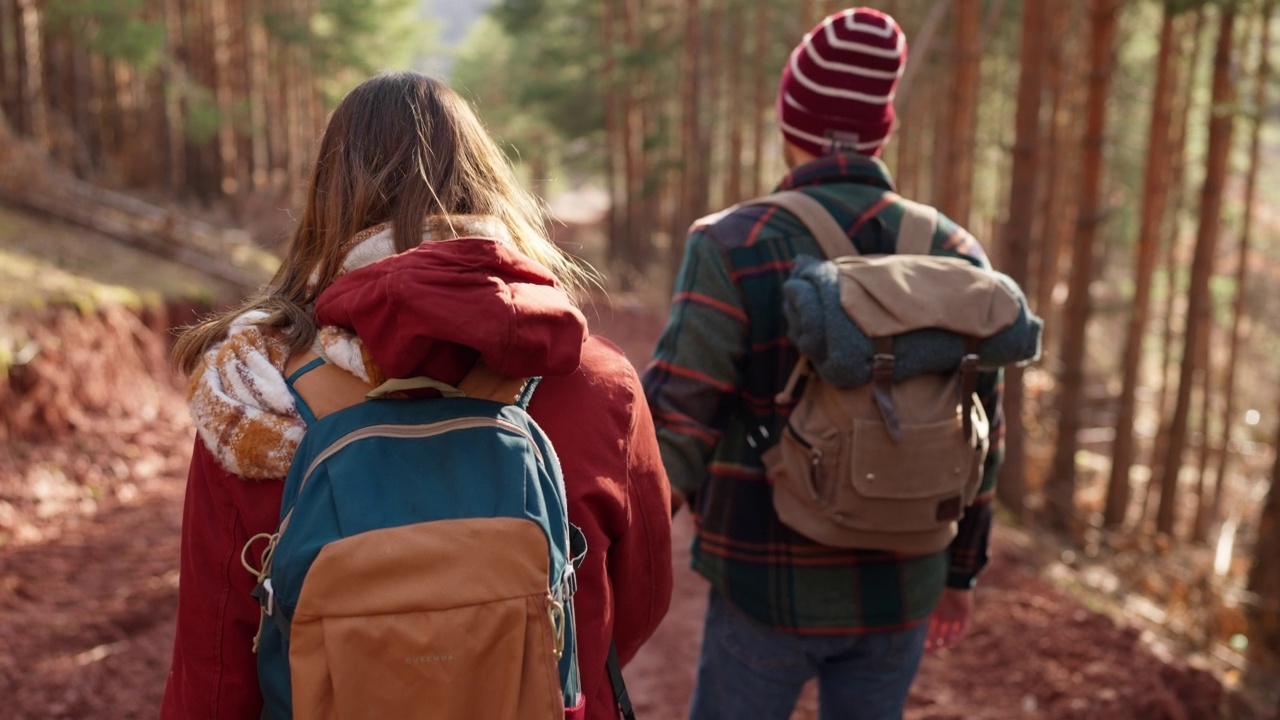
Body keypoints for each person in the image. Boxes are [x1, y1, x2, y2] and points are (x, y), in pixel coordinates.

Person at [160, 70, 673, 720]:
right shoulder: (595, 381)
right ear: (491, 185)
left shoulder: (253, 399)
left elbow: (213, 672)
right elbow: (639, 602)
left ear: (327, 200)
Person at [641, 8, 1003, 720]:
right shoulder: (957, 253)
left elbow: (679, 418)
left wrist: (621, 557)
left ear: (789, 119)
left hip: (766, 582)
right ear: (884, 128)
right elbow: (982, 434)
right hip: (907, 577)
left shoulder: (733, 243)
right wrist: (961, 572)